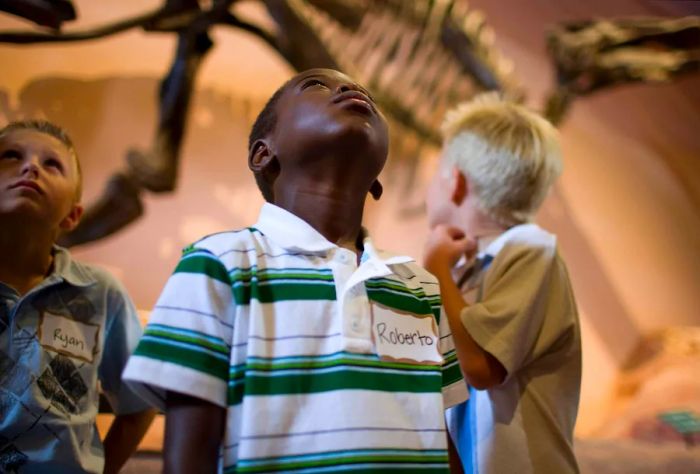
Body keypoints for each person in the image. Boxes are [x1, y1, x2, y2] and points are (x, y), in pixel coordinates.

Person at [123, 68, 468, 473]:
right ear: (262, 154)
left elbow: (435, 435)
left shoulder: (420, 287)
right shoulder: (217, 264)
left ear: (377, 181)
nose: (350, 89)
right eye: (317, 85)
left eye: (365, 95)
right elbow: (188, 457)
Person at [423, 94, 581, 473]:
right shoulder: (464, 269)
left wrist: (433, 269)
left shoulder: (531, 251)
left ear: (456, 182)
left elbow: (481, 366)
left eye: (436, 170)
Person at [0, 120, 156, 473]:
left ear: (72, 215)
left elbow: (141, 402)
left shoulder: (100, 293)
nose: (31, 167)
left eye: (51, 164)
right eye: (11, 155)